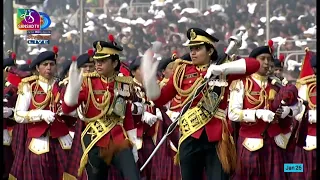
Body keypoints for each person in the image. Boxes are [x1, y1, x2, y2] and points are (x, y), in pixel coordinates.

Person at [141, 28, 260, 180]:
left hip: (217, 138)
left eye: (198, 48)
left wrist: (221, 68)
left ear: (210, 51)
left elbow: (254, 64)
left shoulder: (223, 69)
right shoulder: (182, 71)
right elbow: (160, 99)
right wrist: (150, 81)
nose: (193, 53)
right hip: (190, 134)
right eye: (191, 49)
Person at [61, 35, 141, 180]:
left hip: (119, 140)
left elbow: (126, 115)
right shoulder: (88, 83)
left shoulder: (124, 83)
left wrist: (133, 142)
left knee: (133, 176)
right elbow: (67, 109)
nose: (98, 64)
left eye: (103, 61)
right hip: (95, 140)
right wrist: (71, 90)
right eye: (97, 61)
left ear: (115, 62)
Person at [228, 42, 300, 180]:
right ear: (253, 62)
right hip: (250, 143)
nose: (267, 62)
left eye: (269, 59)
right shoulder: (241, 83)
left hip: (275, 142)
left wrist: (287, 111)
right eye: (263, 59)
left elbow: (298, 106)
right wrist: (258, 113)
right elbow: (233, 113)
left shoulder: (278, 84)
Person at [11, 46, 72, 180]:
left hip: (62, 140)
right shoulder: (29, 86)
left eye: (51, 64)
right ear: (38, 68)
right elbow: (18, 115)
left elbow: (75, 112)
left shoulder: (62, 86)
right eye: (45, 65)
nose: (49, 68)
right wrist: (41, 114)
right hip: (38, 141)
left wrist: (67, 112)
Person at [290, 50, 316, 180]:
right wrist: (311, 115)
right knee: (303, 172)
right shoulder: (306, 87)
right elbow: (298, 112)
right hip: (309, 139)